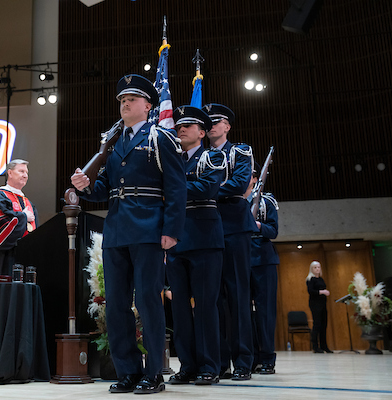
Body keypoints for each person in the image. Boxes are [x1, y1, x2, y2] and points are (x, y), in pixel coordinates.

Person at [71, 74, 186, 394]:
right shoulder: (114, 141)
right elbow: (105, 189)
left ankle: (154, 373)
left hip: (149, 228)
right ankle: (128, 371)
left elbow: (177, 188)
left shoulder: (160, 137)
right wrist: (86, 187)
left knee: (149, 302)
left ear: (148, 106)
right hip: (118, 229)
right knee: (116, 304)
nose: (124, 103)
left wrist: (172, 231)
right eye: (122, 99)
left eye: (132, 99)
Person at [166, 106, 226, 385]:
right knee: (179, 308)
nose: (181, 129)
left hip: (204, 239)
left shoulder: (212, 156)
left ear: (202, 133)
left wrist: (175, 189)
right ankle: (188, 365)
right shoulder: (170, 159)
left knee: (204, 307)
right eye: (179, 125)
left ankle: (209, 365)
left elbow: (209, 188)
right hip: (177, 241)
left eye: (188, 126)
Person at [203, 103, 257, 381]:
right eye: (208, 120)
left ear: (227, 126)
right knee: (215, 299)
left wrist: (205, 189)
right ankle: (220, 361)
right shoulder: (199, 156)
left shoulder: (240, 151)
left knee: (237, 297)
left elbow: (238, 184)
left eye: (217, 120)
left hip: (234, 227)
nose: (211, 124)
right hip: (208, 229)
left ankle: (244, 361)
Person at [246, 166, 280, 374]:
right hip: (240, 260)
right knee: (243, 314)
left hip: (263, 260)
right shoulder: (234, 199)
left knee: (265, 312)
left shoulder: (267, 201)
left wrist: (258, 225)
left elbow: (273, 231)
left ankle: (267, 358)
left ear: (256, 178)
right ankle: (250, 358)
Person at [0, 159, 38, 277]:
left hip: (26, 259)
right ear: (10, 173)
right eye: (21, 171)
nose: (25, 175)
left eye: (27, 173)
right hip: (4, 259)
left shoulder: (29, 203)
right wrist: (23, 217)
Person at [306, 261, 333, 353]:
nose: (317, 269)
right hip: (315, 304)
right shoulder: (310, 279)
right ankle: (315, 346)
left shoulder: (321, 279)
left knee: (324, 325)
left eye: (319, 267)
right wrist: (322, 292)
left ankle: (324, 345)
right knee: (317, 324)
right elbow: (311, 291)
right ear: (312, 269)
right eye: (315, 267)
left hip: (323, 303)